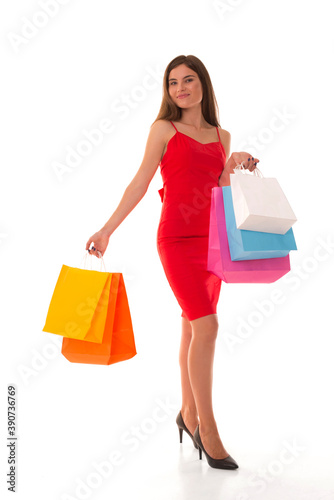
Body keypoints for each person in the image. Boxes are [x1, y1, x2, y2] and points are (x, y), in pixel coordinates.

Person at [85, 55, 260, 470]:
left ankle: (187, 414)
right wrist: (107, 229)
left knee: (191, 327)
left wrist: (234, 164)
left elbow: (218, 189)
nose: (180, 88)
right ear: (167, 91)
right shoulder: (163, 129)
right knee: (208, 325)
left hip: (213, 242)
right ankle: (209, 432)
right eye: (172, 82)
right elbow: (141, 181)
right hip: (177, 241)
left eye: (188, 80)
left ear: (203, 85)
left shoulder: (222, 136)